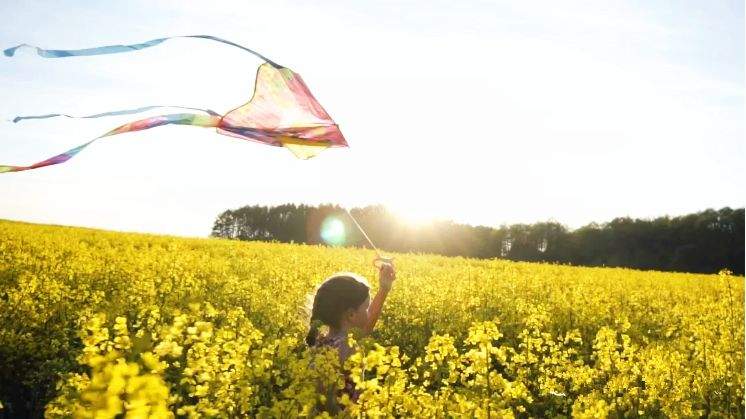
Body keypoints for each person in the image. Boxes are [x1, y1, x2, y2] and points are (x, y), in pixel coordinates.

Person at [305, 262, 396, 411]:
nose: (368, 311)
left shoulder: (323, 340)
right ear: (352, 315)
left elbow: (367, 323)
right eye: (366, 307)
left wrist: (384, 289)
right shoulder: (346, 347)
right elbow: (322, 401)